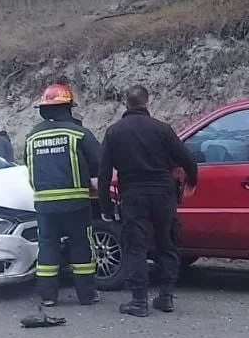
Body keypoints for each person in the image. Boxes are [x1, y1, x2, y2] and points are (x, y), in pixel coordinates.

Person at [99, 85, 198, 317]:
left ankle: (139, 301)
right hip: (163, 193)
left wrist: (106, 207)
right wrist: (191, 183)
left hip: (133, 195)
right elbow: (188, 161)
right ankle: (166, 297)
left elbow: (103, 173)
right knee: (167, 243)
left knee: (136, 247)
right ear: (147, 102)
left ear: (126, 103)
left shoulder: (114, 132)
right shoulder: (162, 129)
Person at [25, 83, 102, 308]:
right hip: (76, 203)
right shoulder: (78, 133)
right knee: (81, 245)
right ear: (68, 108)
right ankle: (86, 294)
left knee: (47, 246)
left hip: (44, 205)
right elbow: (98, 163)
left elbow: (28, 166)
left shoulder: (32, 137)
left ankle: (47, 295)